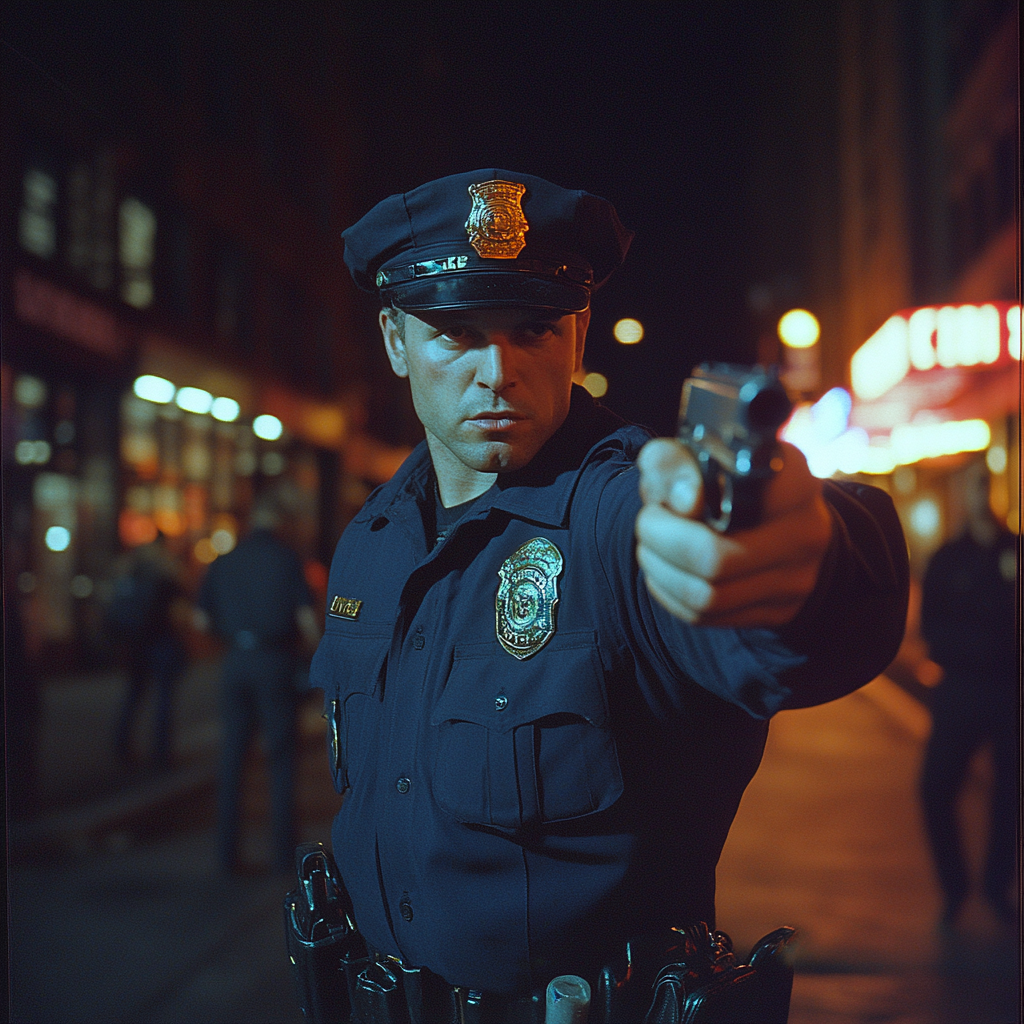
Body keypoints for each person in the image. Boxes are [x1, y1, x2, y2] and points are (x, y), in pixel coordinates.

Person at [309, 169, 909, 1011]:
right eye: (453, 333)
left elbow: (782, 623)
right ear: (395, 341)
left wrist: (803, 564)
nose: (497, 371)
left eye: (533, 330)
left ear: (579, 337)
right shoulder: (372, 541)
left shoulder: (619, 515)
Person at [195, 485, 320, 875]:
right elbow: (307, 620)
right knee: (281, 759)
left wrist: (231, 637)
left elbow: (200, 619)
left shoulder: (225, 560)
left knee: (232, 757)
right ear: (281, 521)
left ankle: (226, 855)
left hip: (236, 661)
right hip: (276, 661)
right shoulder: (288, 560)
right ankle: (283, 855)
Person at [918, 457, 1019, 931]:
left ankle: (997, 887)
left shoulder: (1014, 551)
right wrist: (970, 645)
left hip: (1008, 691)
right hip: (960, 690)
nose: (979, 494)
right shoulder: (947, 558)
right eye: (971, 486)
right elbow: (929, 628)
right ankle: (955, 888)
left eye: (985, 484)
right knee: (935, 787)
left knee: (1010, 794)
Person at [108, 532, 189, 771]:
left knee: (134, 694)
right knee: (164, 698)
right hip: (162, 641)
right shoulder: (166, 571)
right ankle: (161, 752)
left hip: (136, 642)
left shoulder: (130, 568)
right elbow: (180, 609)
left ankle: (121, 744)